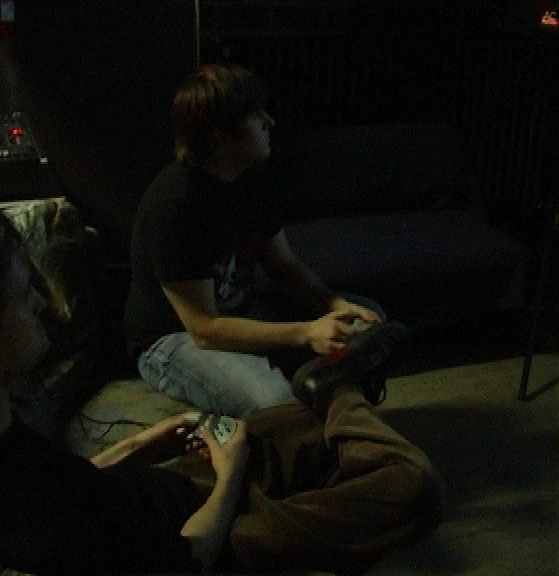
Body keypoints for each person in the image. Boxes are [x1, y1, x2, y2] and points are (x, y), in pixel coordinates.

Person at [0, 209, 444, 574]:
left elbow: (59, 486)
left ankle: (329, 398)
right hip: (220, 535)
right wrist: (230, 475)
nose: (43, 303)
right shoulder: (15, 511)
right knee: (412, 486)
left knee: (294, 422)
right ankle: (338, 388)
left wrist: (138, 447)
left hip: (167, 487)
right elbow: (186, 561)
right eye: (24, 297)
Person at [124, 63, 394, 418]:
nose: (270, 122)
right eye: (256, 117)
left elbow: (285, 268)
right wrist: (306, 332)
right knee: (278, 404)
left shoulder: (252, 180)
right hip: (174, 338)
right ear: (222, 137)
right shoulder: (174, 206)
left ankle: (333, 403)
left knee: (366, 323)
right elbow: (204, 329)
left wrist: (333, 304)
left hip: (238, 311)